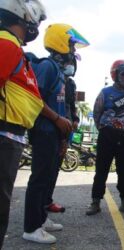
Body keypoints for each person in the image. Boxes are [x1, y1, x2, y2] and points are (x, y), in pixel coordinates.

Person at [23, 23, 89, 244]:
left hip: (54, 135)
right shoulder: (47, 67)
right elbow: (34, 98)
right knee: (39, 180)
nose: (73, 50)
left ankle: (41, 220)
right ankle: (31, 227)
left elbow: (62, 106)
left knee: (48, 178)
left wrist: (63, 135)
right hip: (43, 132)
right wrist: (57, 119)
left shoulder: (59, 73)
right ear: (60, 42)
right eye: (71, 45)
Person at [0, 1, 46, 248]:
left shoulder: (11, 46)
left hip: (10, 137)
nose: (35, 27)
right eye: (34, 21)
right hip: (4, 136)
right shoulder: (6, 44)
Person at [86, 60, 124, 216]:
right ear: (115, 75)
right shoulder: (105, 92)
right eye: (123, 74)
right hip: (107, 136)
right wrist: (104, 129)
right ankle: (95, 202)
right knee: (101, 170)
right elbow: (97, 113)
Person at [45, 55, 81, 213]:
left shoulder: (70, 83)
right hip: (49, 128)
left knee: (55, 168)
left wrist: (75, 119)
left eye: (72, 63)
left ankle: (47, 202)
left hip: (65, 130)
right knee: (44, 172)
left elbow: (71, 105)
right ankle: (37, 214)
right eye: (68, 62)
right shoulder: (49, 71)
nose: (70, 66)